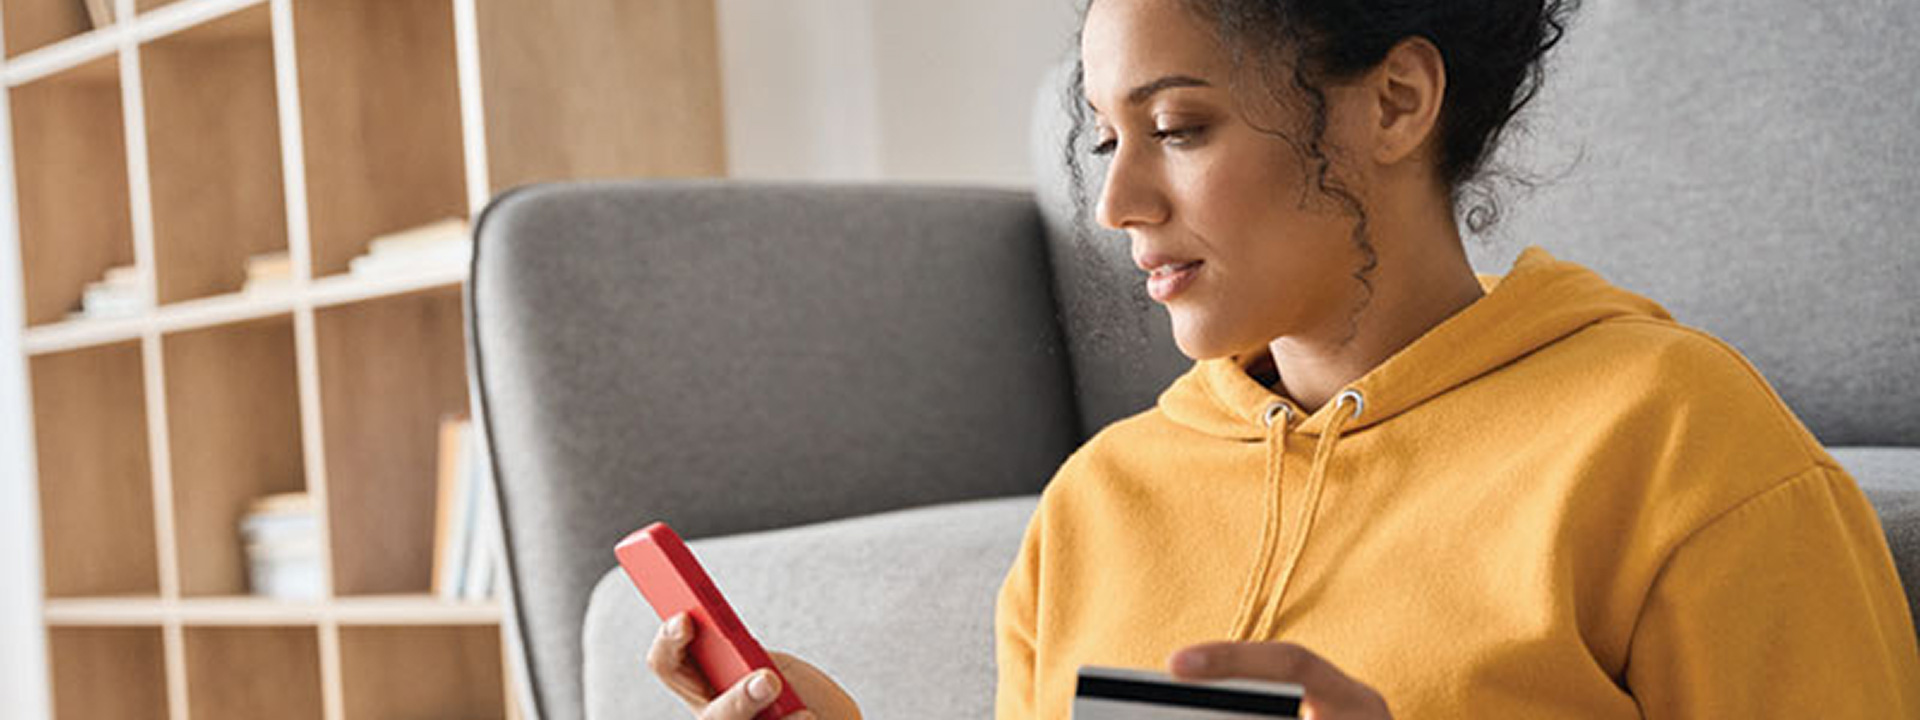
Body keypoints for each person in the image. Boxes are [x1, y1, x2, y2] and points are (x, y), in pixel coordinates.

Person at [647, 0, 1920, 716]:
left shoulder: (1680, 444)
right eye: (1104, 142)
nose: (1118, 203)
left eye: (1180, 127)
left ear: (1396, 103)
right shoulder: (1099, 503)